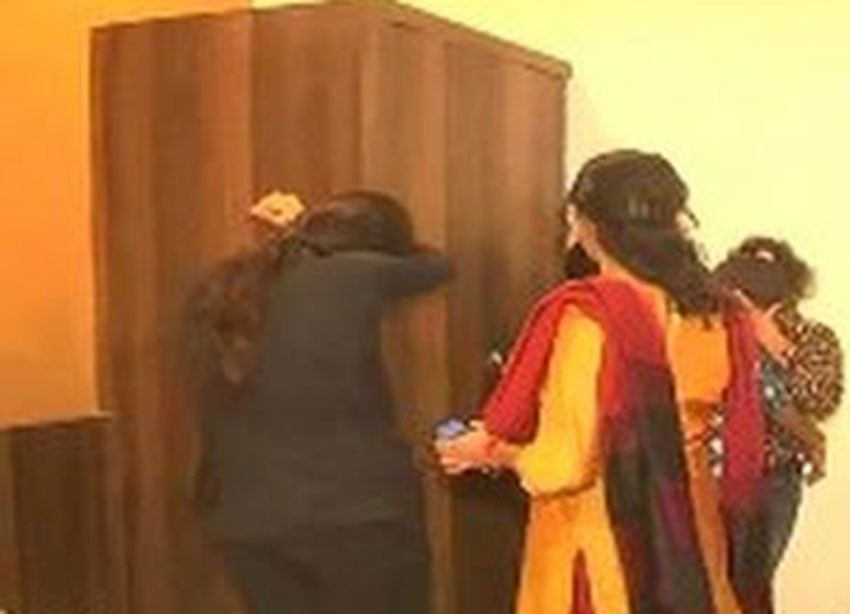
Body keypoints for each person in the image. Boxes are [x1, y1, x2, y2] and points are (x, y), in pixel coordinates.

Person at [436, 150, 766, 614]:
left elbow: (565, 464)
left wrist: (491, 452)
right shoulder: (720, 315)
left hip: (604, 538)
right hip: (688, 530)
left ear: (584, 226)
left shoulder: (592, 317)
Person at [187, 190, 452, 614]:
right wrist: (302, 229)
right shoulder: (354, 274)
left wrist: (299, 232)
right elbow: (437, 267)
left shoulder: (225, 283)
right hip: (355, 520)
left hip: (246, 523)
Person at [714, 237, 843, 583]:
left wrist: (777, 348)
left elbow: (820, 401)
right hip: (714, 471)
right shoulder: (712, 330)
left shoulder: (814, 338)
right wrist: (813, 440)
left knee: (753, 586)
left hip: (775, 477)